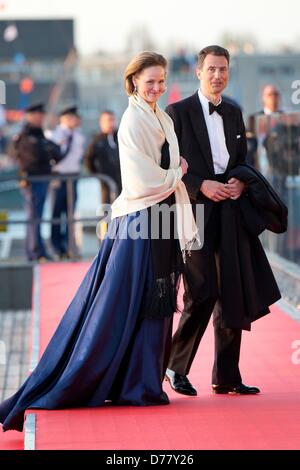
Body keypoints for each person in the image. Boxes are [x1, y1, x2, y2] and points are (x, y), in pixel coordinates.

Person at [0, 51, 199, 432]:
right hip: (139, 220)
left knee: (149, 304)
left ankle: (138, 382)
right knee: (119, 307)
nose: (156, 87)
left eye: (161, 80)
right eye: (150, 81)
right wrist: (178, 172)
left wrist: (173, 174)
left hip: (159, 218)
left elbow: (160, 173)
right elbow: (141, 181)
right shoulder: (133, 120)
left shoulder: (160, 117)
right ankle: (117, 381)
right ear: (134, 82)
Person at [165, 45, 282, 396]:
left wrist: (240, 181)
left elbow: (242, 160)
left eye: (224, 69)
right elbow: (167, 166)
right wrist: (201, 184)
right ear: (199, 72)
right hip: (195, 213)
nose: (218, 75)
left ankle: (227, 376)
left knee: (233, 290)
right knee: (202, 291)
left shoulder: (234, 112)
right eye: (212, 69)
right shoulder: (177, 112)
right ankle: (174, 365)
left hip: (231, 212)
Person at [11, 103, 62, 262]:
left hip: (42, 179)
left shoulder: (38, 134)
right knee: (34, 217)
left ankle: (38, 250)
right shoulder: (26, 135)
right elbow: (34, 157)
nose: (42, 118)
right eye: (39, 115)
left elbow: (56, 152)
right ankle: (35, 252)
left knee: (37, 217)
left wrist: (46, 149)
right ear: (30, 116)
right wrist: (47, 150)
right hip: (32, 181)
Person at [46, 106, 85, 259]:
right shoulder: (53, 134)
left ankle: (70, 246)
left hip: (73, 177)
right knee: (56, 212)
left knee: (70, 213)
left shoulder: (78, 136)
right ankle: (56, 247)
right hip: (58, 177)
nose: (75, 120)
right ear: (64, 119)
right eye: (71, 117)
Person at [84, 110, 121, 204]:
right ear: (101, 123)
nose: (111, 123)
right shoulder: (97, 141)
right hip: (106, 180)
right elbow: (88, 158)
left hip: (122, 179)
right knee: (107, 206)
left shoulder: (121, 137)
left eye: (112, 120)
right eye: (108, 120)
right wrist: (97, 173)